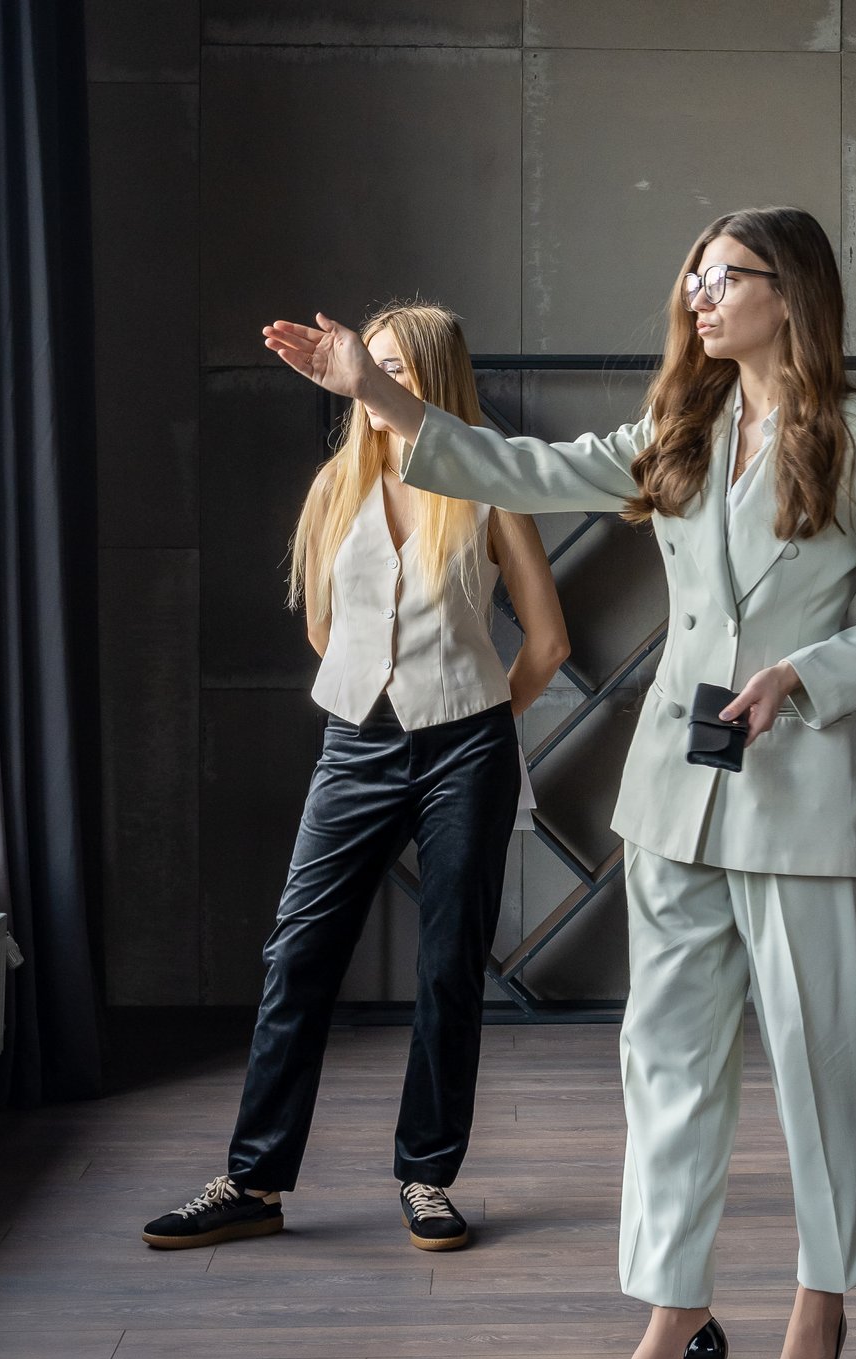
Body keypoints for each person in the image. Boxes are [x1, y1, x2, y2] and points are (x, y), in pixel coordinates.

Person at [263, 206, 856, 1359]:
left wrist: (805, 675)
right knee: (666, 1065)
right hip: (671, 795)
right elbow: (522, 472)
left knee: (814, 1063)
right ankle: (674, 1315)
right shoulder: (678, 432)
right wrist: (385, 398)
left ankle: (823, 1295)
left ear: (787, 293)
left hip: (794, 790)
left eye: (723, 278)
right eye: (692, 277)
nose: (697, 295)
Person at [142, 302, 569, 1255]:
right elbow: (324, 629)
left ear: (437, 382)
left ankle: (426, 1176)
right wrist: (372, 694)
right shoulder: (336, 484)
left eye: (399, 370)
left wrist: (479, 717)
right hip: (355, 745)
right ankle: (254, 1181)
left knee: (449, 966)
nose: (377, 385)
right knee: (298, 955)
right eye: (368, 364)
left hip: (468, 745)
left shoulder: (487, 483)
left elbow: (547, 644)